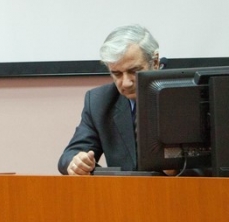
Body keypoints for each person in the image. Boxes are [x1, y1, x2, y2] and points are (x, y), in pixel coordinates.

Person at [58, 24, 159, 175]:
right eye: (117, 74)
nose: (126, 83)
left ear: (155, 63)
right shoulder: (99, 101)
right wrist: (78, 162)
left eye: (134, 71)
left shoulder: (184, 96)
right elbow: (70, 155)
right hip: (121, 189)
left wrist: (177, 168)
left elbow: (198, 165)